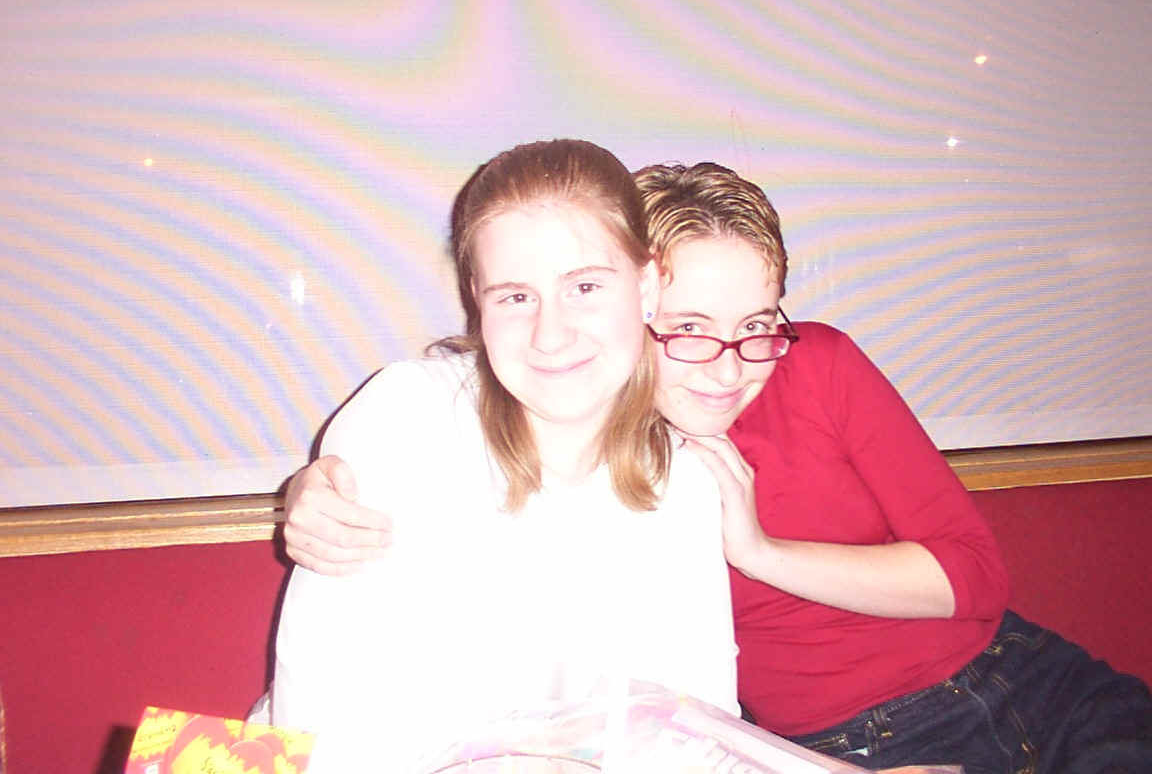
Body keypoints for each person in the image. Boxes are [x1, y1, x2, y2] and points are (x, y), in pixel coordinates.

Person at [283, 160, 1152, 773]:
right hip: (853, 744)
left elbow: (975, 578)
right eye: (691, 327)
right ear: (642, 300)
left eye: (757, 324)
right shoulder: (570, 449)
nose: (731, 366)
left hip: (1025, 680)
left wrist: (760, 550)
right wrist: (313, 490)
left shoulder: (804, 373)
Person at [270, 141, 739, 772]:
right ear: (477, 299)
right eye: (516, 297)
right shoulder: (404, 419)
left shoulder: (684, 482)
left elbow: (699, 731)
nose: (551, 335)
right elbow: (318, 723)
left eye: (585, 286)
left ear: (648, 284)